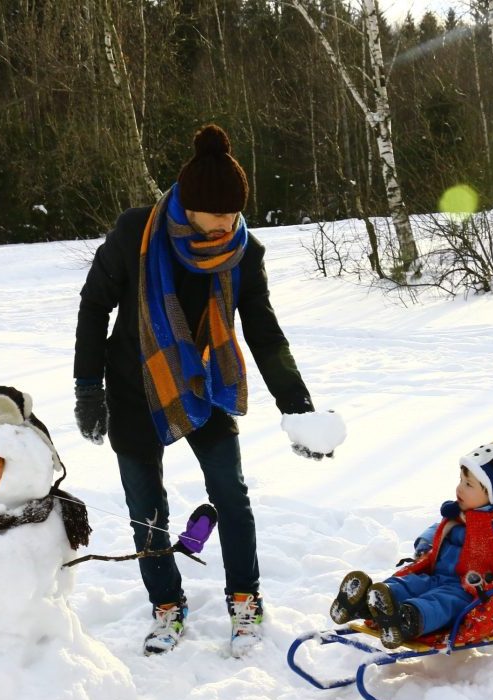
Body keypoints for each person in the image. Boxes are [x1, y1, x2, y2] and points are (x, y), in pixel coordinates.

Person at [74, 123, 344, 657]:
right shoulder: (136, 234)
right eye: (216, 213)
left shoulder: (244, 252)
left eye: (234, 213)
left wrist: (298, 408)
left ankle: (245, 599)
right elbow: (93, 304)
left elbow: (263, 332)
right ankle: (166, 606)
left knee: (231, 495)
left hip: (204, 383)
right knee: (145, 507)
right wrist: (88, 387)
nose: (227, 223)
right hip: (133, 383)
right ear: (188, 207)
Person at [330, 429, 493, 648]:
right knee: (411, 584)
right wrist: (425, 543)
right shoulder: (463, 512)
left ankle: (408, 620)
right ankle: (368, 602)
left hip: (470, 589)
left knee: (442, 602)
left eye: (468, 484)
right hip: (437, 575)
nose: (459, 489)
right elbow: (440, 528)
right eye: (461, 480)